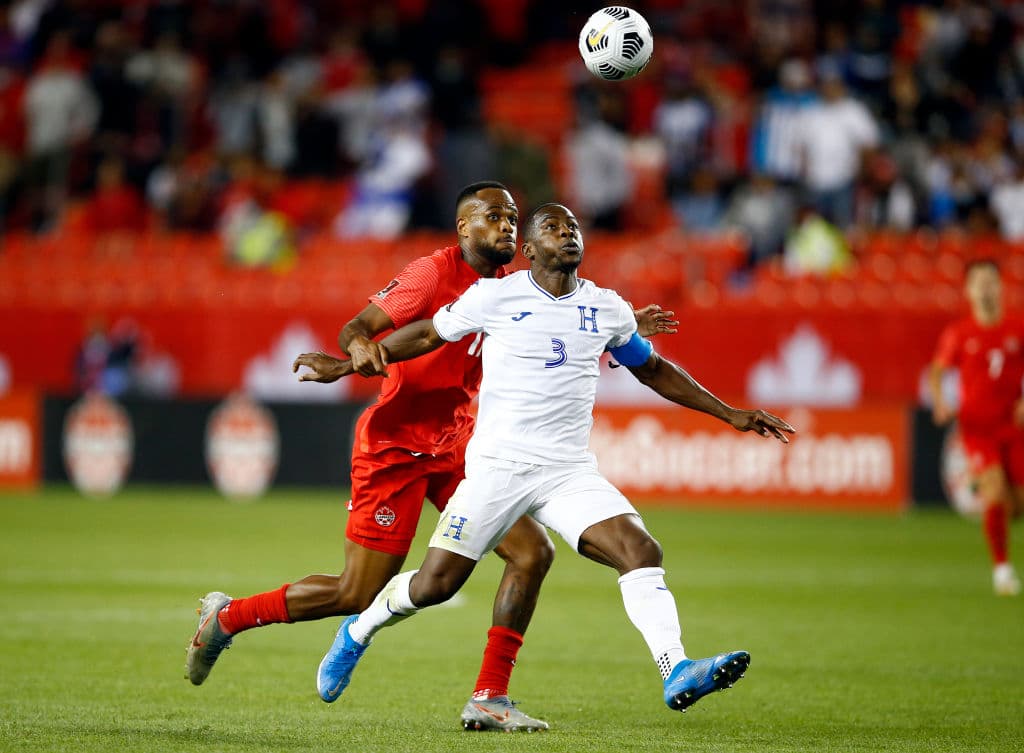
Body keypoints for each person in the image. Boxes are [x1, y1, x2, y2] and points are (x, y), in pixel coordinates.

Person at [186, 182, 677, 732]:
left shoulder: (513, 285)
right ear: (464, 227)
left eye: (512, 218)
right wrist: (352, 354)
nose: (507, 227)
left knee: (532, 553)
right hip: (395, 446)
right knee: (357, 591)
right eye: (495, 217)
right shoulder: (431, 274)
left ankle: (490, 695)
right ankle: (228, 617)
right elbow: (359, 328)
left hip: (461, 444)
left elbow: (566, 315)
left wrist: (623, 324)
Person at [306, 202, 794, 721]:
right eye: (552, 228)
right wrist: (345, 364)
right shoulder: (495, 295)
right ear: (530, 249)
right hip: (498, 468)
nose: (567, 233)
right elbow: (428, 334)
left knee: (640, 549)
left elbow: (652, 369)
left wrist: (730, 413)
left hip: (567, 471)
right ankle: (359, 629)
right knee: (435, 585)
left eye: (573, 226)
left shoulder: (608, 307)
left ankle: (676, 667)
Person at [930, 259, 1024, 596]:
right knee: (994, 490)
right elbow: (937, 371)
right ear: (969, 290)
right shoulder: (960, 333)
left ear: (1000, 287)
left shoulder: (1017, 327)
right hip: (977, 428)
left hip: (1014, 427)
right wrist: (941, 402)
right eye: (978, 282)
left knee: (1016, 505)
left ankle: (991, 500)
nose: (985, 287)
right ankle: (1002, 570)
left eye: (990, 281)